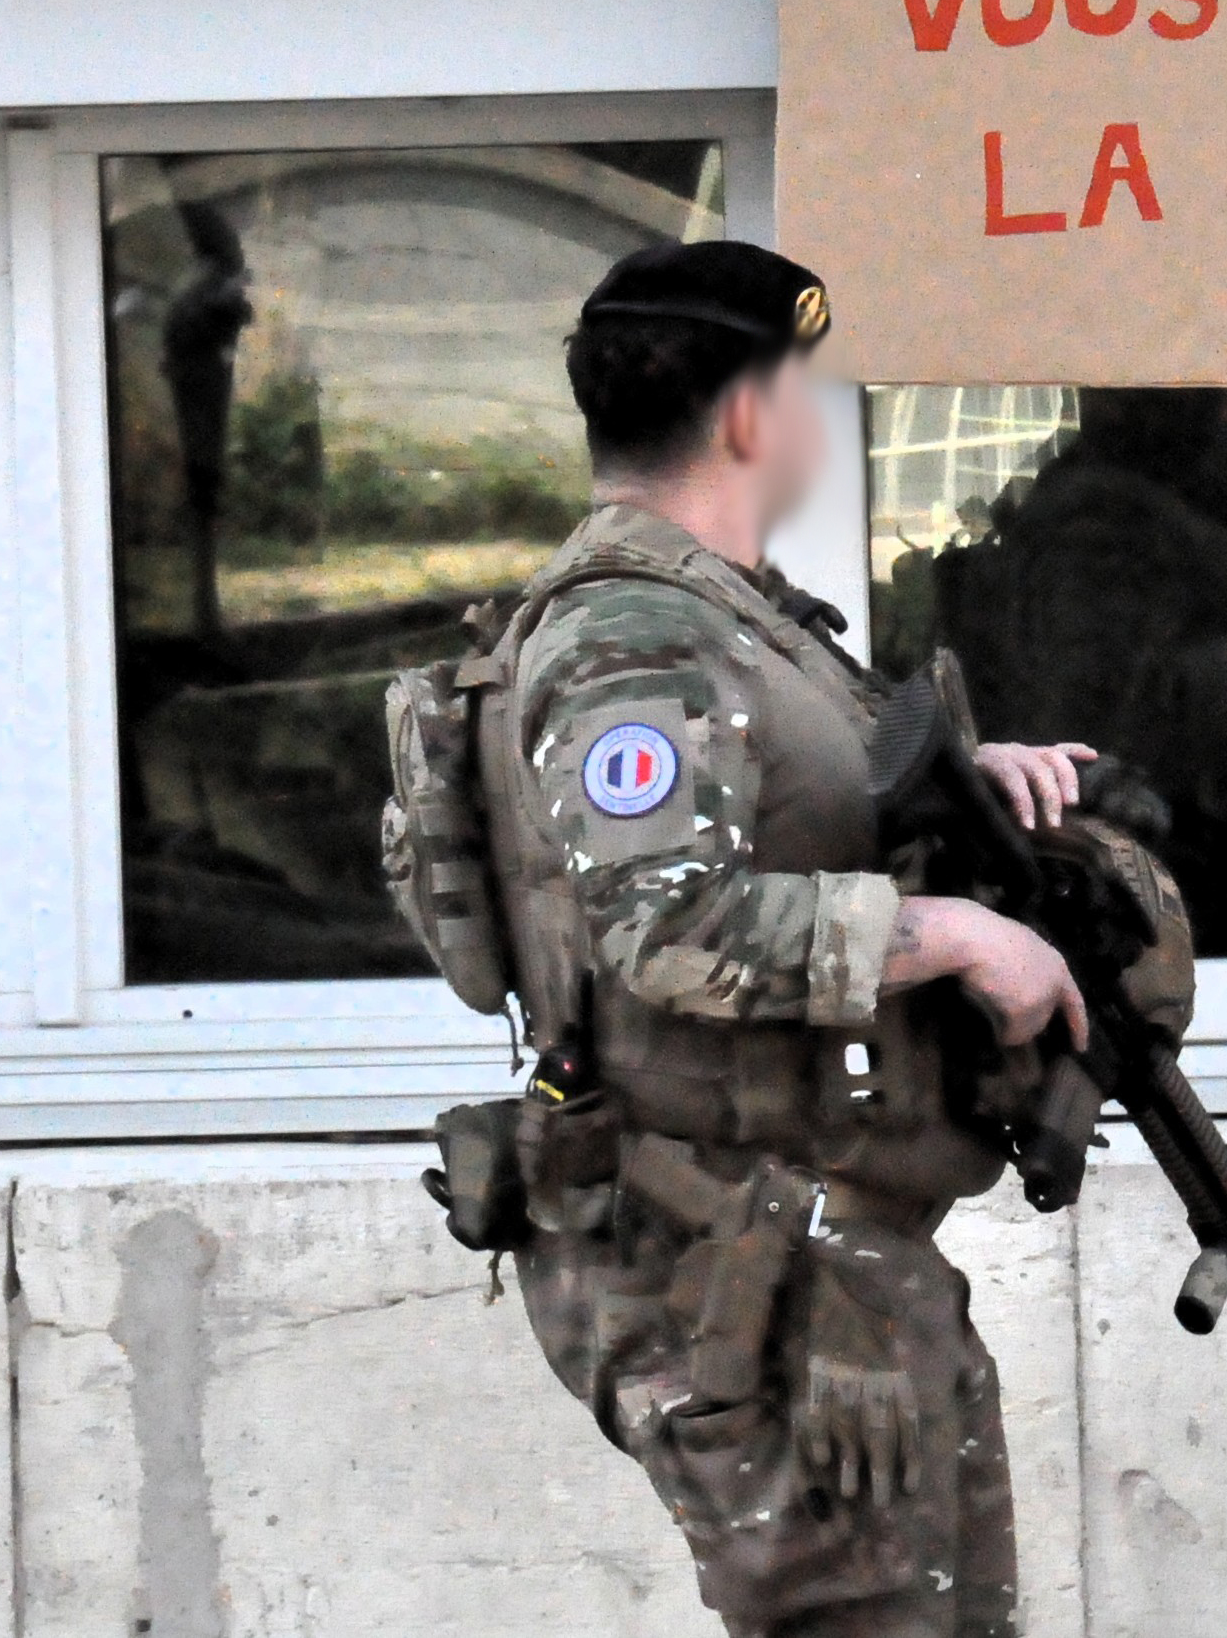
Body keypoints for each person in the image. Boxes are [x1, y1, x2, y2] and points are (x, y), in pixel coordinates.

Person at [493, 240, 1098, 1638]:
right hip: (735, 1268)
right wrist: (947, 931)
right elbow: (661, 920)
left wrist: (966, 792)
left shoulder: (736, 615)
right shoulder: (633, 638)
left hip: (823, 1254)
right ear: (748, 416)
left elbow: (769, 817)